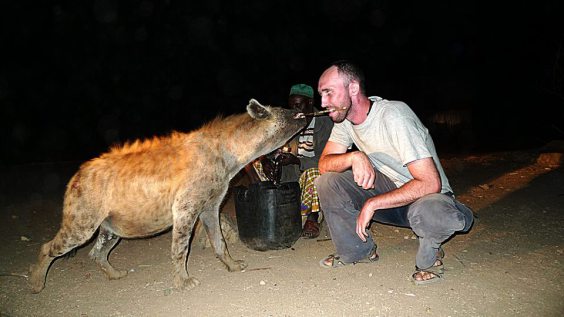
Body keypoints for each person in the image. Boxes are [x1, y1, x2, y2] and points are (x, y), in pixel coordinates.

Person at [314, 60, 474, 285]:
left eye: (329, 93)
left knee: (434, 212)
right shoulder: (344, 121)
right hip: (391, 193)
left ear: (353, 88)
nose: (323, 102)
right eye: (321, 94)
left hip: (425, 197)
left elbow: (430, 183)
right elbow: (324, 164)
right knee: (327, 182)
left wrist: (372, 203)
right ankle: (357, 251)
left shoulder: (394, 115)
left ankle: (430, 259)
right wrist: (354, 156)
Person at [247, 84, 333, 239]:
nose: (294, 110)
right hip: (289, 179)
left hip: (309, 181)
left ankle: (312, 217)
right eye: (292, 105)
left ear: (310, 103)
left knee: (315, 172)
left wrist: (297, 161)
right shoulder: (287, 123)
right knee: (255, 162)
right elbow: (269, 148)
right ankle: (269, 206)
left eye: (298, 105)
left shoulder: (325, 123)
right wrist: (267, 160)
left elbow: (326, 161)